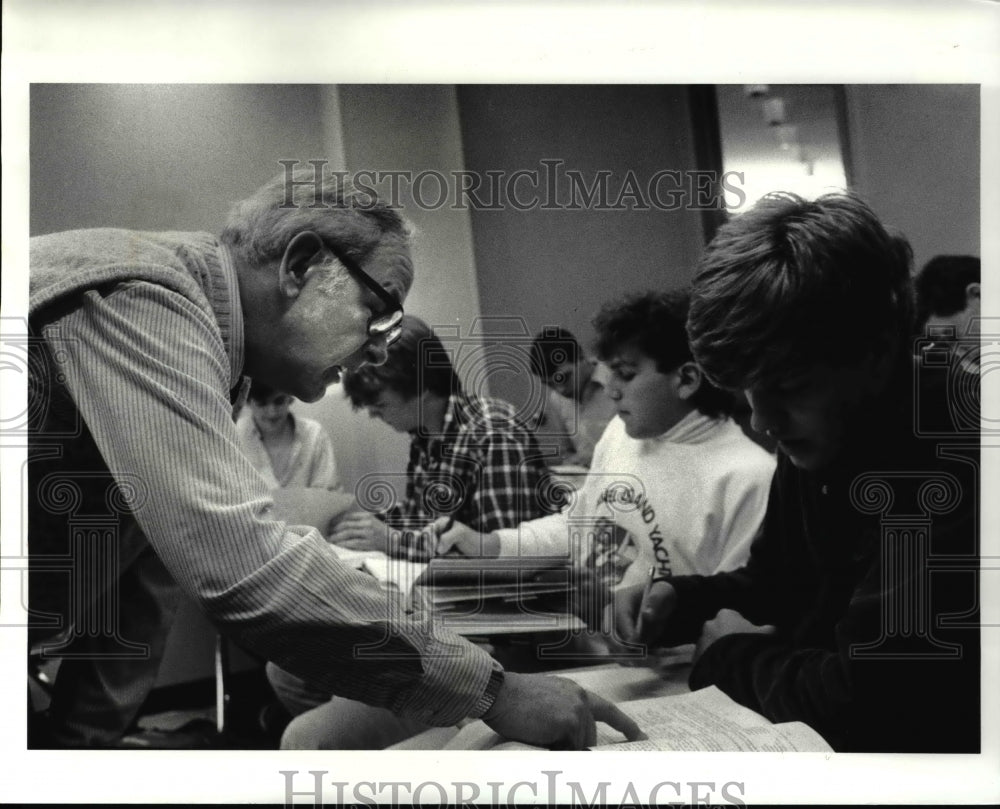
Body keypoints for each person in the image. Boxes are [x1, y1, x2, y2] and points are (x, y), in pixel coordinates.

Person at [26, 166, 638, 749]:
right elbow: (240, 564)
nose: (377, 353)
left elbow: (147, 578)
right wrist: (490, 691)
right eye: (377, 313)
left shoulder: (215, 351)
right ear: (301, 265)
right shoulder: (149, 297)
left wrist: (73, 748)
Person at [612, 192, 979, 753]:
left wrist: (728, 655)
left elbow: (874, 703)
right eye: (748, 391)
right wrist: (680, 602)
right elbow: (781, 585)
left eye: (786, 387)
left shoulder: (952, 454)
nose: (762, 419)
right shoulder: (829, 423)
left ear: (879, 349)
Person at [437, 290, 776, 633]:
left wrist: (629, 626)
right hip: (587, 637)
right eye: (610, 372)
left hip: (662, 671)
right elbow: (579, 524)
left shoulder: (750, 478)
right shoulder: (620, 433)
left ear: (686, 379)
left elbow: (730, 628)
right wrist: (492, 544)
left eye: (626, 374)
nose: (611, 389)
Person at [327, 314, 554, 557]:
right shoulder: (425, 435)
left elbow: (497, 552)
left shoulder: (494, 432)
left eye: (380, 405)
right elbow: (421, 517)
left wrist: (391, 540)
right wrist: (363, 525)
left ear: (421, 388)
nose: (373, 415)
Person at [528, 326, 617, 467]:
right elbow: (567, 452)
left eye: (564, 378)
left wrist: (597, 460)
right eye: (550, 384)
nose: (560, 389)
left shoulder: (617, 380)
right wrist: (571, 460)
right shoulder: (557, 399)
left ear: (580, 357)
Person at [236, 379, 339, 490]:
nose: (272, 412)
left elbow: (328, 493)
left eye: (279, 401)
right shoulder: (235, 434)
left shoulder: (314, 434)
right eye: (262, 404)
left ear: (289, 399)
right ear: (248, 402)